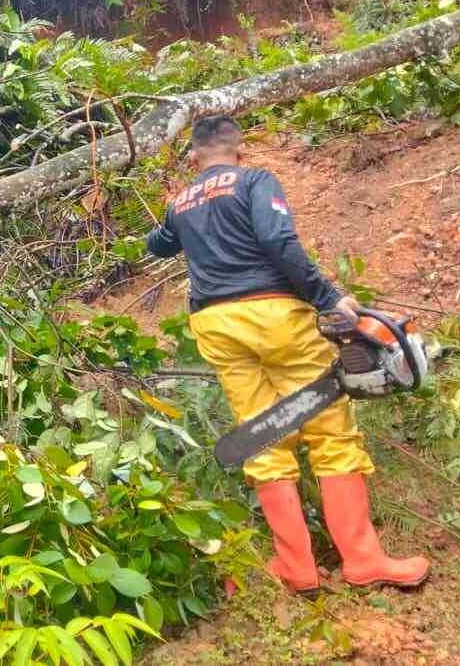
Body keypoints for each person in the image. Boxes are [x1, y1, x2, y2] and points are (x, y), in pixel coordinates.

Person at [145, 115, 429, 593]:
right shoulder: (254, 180)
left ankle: (296, 567)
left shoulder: (182, 200)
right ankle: (362, 560)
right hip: (272, 314)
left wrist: (184, 207)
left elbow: (157, 245)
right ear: (239, 152)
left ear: (194, 159)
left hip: (216, 326)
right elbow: (277, 240)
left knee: (262, 435)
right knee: (330, 431)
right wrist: (327, 297)